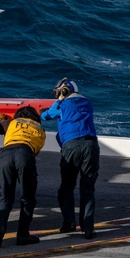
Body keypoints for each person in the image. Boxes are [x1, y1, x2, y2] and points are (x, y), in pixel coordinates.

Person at [41, 78, 100, 239]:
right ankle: (88, 228)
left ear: (65, 91)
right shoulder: (87, 103)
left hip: (72, 146)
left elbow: (45, 116)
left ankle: (69, 223)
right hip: (91, 145)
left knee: (66, 187)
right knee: (87, 188)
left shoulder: (62, 104)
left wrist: (58, 101)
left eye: (59, 91)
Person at [0, 106, 46, 248]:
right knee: (27, 197)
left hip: (6, 154)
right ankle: (22, 235)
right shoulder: (40, 129)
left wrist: (2, 119)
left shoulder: (11, 123)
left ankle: (0, 230)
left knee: (4, 196)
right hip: (25, 153)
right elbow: (35, 151)